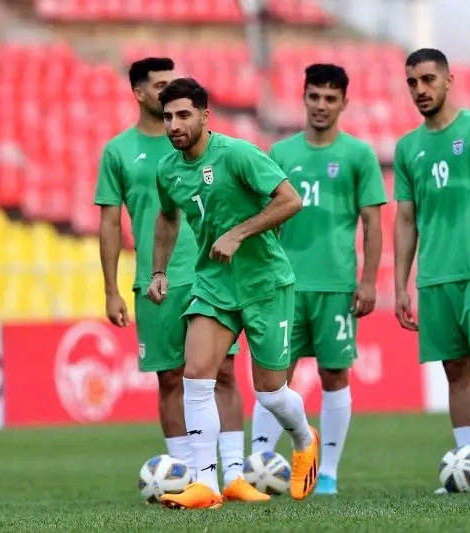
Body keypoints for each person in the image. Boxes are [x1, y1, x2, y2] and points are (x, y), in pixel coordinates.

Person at [148, 77, 320, 510]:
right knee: (195, 375)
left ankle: (304, 438)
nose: (174, 125)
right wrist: (158, 270)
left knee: (271, 393)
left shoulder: (237, 154)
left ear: (205, 116)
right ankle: (206, 484)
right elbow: (167, 218)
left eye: (183, 115)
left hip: (265, 283)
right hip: (213, 283)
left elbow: (290, 200)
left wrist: (239, 233)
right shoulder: (167, 170)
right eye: (167, 117)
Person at [94, 58, 259, 502]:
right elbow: (109, 223)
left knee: (223, 371)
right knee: (170, 378)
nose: (170, 96)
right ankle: (186, 476)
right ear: (139, 93)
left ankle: (234, 474)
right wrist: (111, 289)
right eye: (161, 86)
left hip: (210, 273)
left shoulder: (206, 147)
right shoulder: (118, 152)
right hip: (156, 279)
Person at [249, 63, 387, 496]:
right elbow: (263, 218)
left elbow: (373, 222)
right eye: (314, 96)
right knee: (274, 377)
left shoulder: (359, 155)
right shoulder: (280, 153)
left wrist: (368, 281)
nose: (321, 105)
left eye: (330, 98)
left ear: (344, 102)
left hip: (336, 285)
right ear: (303, 97)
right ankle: (259, 466)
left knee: (334, 375)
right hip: (285, 285)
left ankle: (326, 474)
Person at [391, 48, 470, 493]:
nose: (420, 90)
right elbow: (405, 218)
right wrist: (401, 284)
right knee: (455, 370)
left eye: (428, 79)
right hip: (434, 276)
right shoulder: (407, 147)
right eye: (412, 82)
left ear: (449, 80)